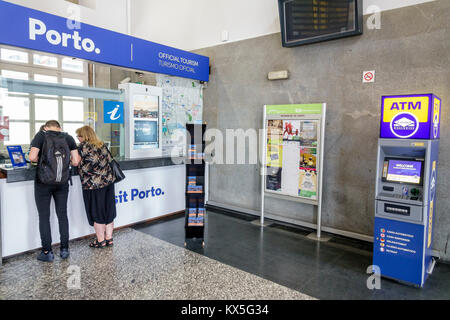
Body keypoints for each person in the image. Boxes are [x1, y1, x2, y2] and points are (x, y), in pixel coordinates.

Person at [29, 120, 80, 262]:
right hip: (62, 182)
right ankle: (64, 250)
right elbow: (76, 161)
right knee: (62, 215)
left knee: (44, 216)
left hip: (43, 182)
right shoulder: (68, 137)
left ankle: (47, 252)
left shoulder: (41, 135)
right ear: (59, 127)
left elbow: (32, 157)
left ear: (46, 127)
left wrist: (44, 161)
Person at [76, 126, 116, 248]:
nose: (77, 138)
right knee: (108, 210)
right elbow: (110, 159)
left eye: (79, 136)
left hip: (93, 185)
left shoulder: (82, 147)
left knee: (97, 212)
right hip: (108, 183)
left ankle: (100, 240)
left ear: (84, 136)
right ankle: (109, 238)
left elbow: (75, 162)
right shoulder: (101, 145)